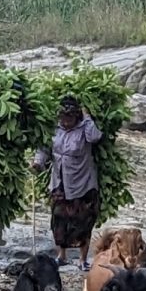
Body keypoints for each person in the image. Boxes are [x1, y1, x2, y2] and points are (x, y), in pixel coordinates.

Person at [31, 96, 102, 271]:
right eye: (63, 117)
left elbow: (95, 137)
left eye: (69, 117)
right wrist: (37, 163)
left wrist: (87, 117)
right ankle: (61, 256)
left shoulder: (84, 128)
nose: (66, 121)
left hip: (82, 183)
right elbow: (44, 148)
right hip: (59, 181)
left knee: (83, 220)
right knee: (59, 219)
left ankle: (82, 260)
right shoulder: (54, 129)